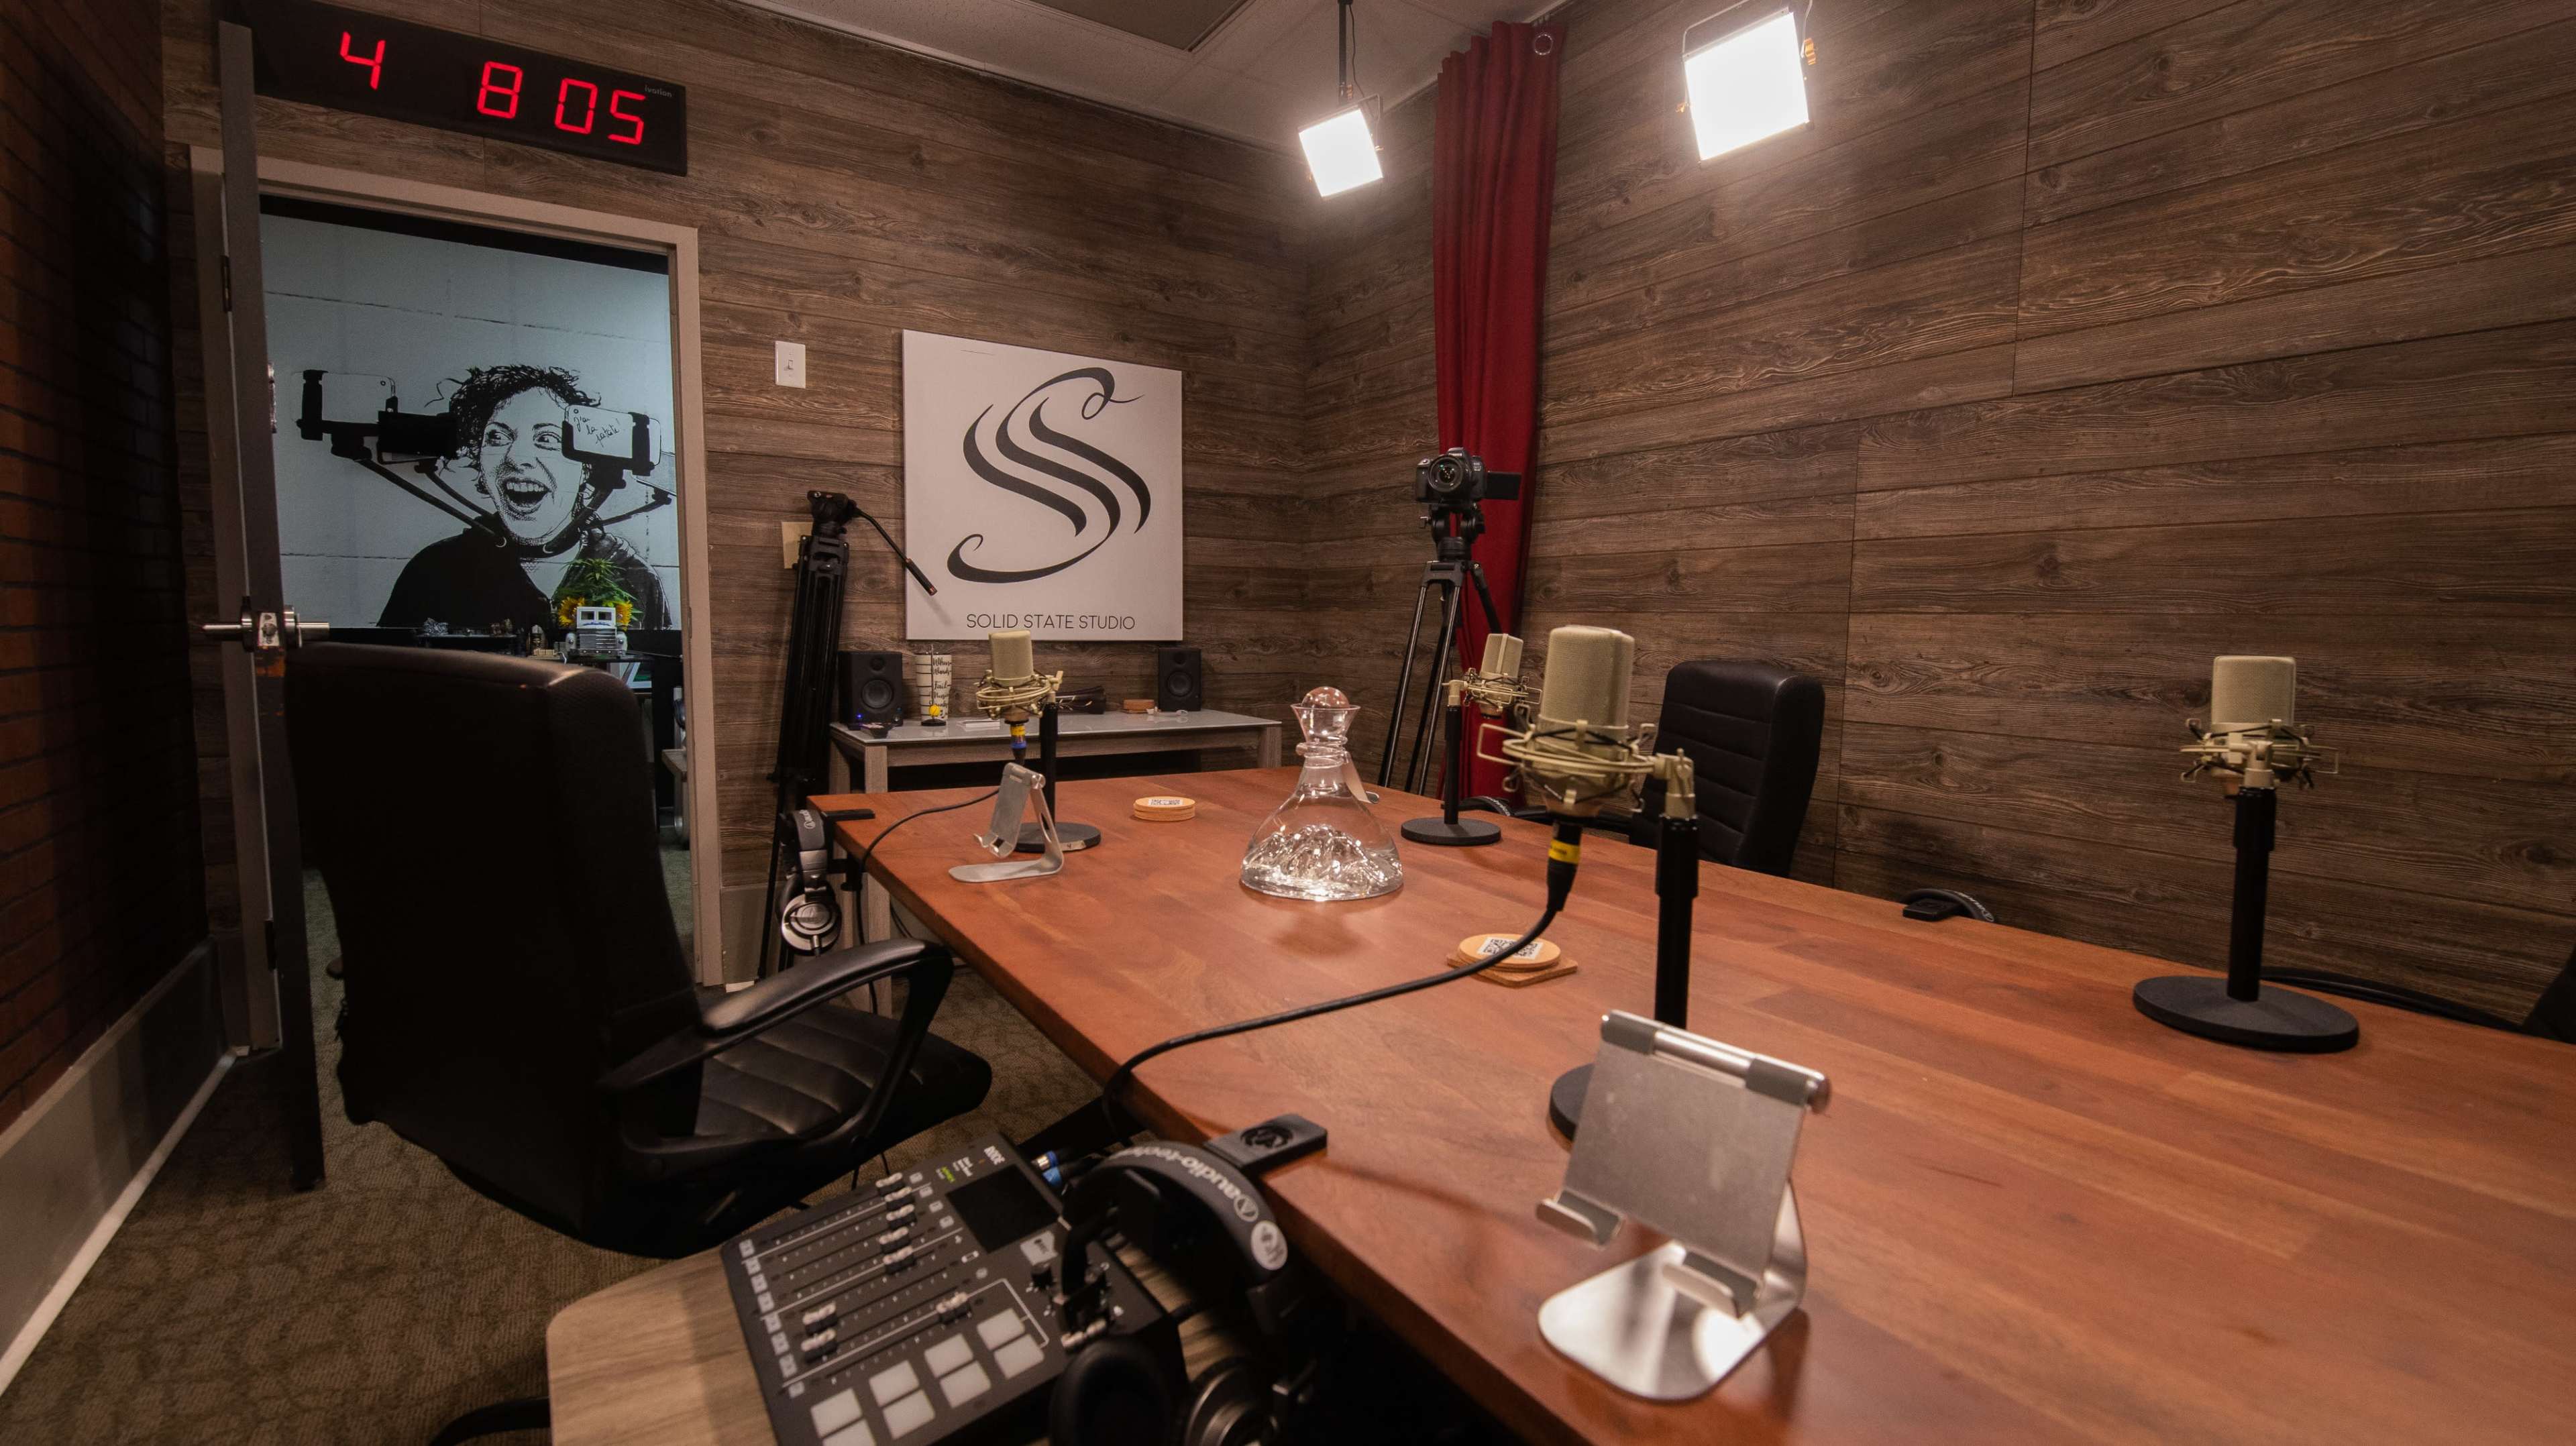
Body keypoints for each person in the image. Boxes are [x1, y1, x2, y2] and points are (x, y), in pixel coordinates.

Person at [378, 364, 667, 633]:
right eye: (497, 438)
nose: (516, 458)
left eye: (547, 439)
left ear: (586, 468)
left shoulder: (633, 575)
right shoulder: (435, 570)